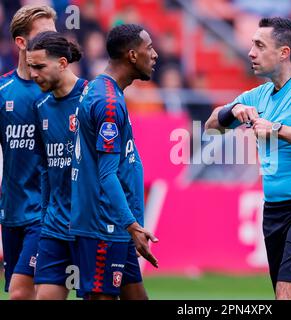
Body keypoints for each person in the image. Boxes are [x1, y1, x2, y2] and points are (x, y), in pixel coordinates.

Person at [205, 17, 291, 300]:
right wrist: (234, 110)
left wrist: (276, 129)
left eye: (259, 45)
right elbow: (210, 127)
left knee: (287, 295)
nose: (251, 52)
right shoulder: (258, 96)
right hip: (275, 210)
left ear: (284, 52)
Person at [70, 23, 159, 300]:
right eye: (149, 48)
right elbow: (106, 174)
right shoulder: (109, 102)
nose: (155, 54)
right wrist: (132, 225)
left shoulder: (104, 90)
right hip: (105, 226)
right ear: (132, 55)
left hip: (116, 226)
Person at [0, 5, 56, 300]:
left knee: (21, 293)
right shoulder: (3, 91)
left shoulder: (59, 92)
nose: (54, 41)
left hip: (45, 213)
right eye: (44, 35)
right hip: (11, 213)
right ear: (21, 43)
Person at [27, 31, 86, 300]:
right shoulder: (41, 107)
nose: (33, 74)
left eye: (39, 67)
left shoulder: (92, 98)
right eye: (30, 67)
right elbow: (45, 169)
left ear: (62, 63)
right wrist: (43, 215)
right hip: (54, 226)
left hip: (90, 225)